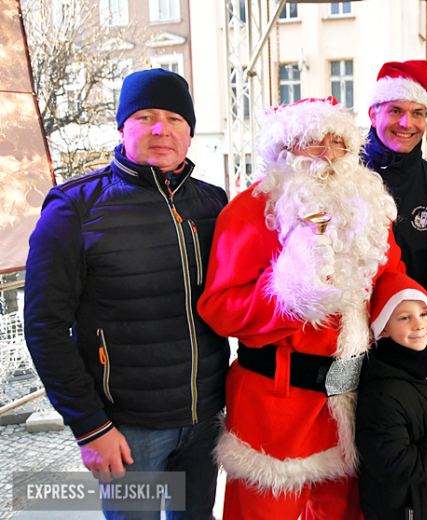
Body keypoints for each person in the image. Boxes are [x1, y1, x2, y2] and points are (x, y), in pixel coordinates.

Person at [23, 68, 230, 519]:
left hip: (205, 423)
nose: (162, 129)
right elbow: (44, 327)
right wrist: (90, 428)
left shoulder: (213, 204)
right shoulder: (74, 209)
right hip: (129, 431)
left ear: (190, 133)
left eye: (176, 119)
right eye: (146, 116)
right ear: (122, 128)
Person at [197, 97, 405, 520]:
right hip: (275, 408)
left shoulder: (365, 209)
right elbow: (219, 308)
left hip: (349, 402)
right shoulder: (251, 210)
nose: (327, 153)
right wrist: (289, 298)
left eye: (337, 142)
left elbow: (390, 277)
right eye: (313, 142)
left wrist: (415, 313)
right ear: (284, 150)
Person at [356, 271, 427, 520]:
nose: (418, 325)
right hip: (402, 510)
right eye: (404, 317)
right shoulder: (382, 393)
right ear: (384, 329)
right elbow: (394, 464)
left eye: (423, 314)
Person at [363, 60, 427, 288]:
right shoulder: (339, 174)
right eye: (395, 111)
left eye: (417, 113)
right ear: (373, 115)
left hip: (416, 321)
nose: (407, 124)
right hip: (344, 321)